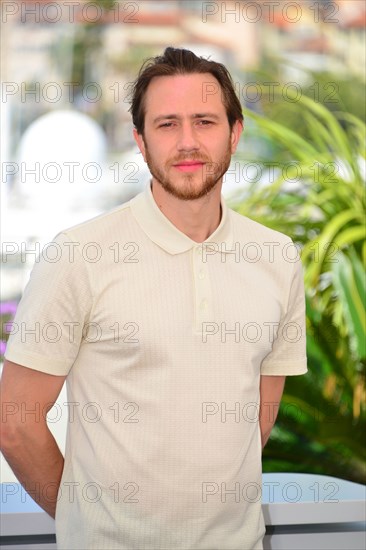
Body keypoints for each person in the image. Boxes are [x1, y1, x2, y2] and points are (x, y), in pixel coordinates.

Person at [1, 47, 307, 549]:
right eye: (167, 125)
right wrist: (88, 524)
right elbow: (15, 424)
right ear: (141, 142)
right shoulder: (78, 256)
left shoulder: (276, 258)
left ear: (235, 133)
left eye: (204, 121)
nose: (188, 142)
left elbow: (257, 419)